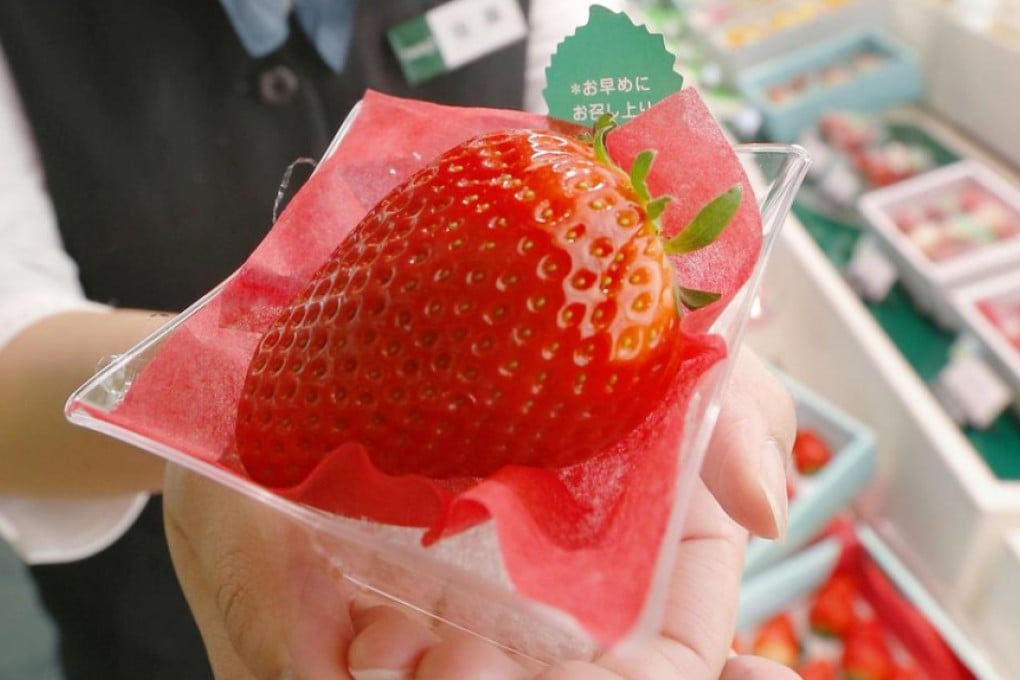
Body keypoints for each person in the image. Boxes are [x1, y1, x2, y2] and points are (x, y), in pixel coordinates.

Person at [0, 1, 797, 677]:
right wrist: (208, 432)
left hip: (469, 570)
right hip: (151, 616)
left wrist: (692, 369)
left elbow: (620, 146)